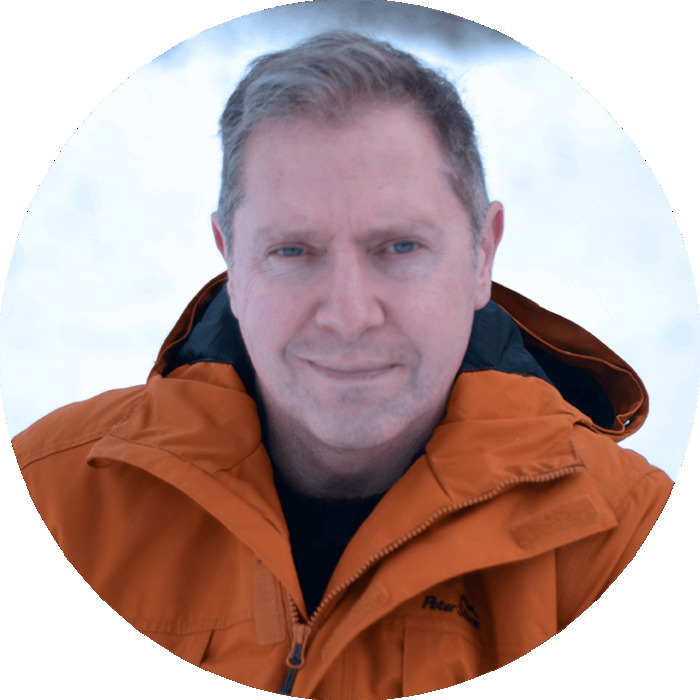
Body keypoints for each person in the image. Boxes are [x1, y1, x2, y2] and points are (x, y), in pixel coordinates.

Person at [13, 31, 673, 699]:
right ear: (231, 258)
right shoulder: (51, 502)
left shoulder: (630, 546)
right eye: (293, 251)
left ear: (482, 255)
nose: (349, 315)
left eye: (399, 246)